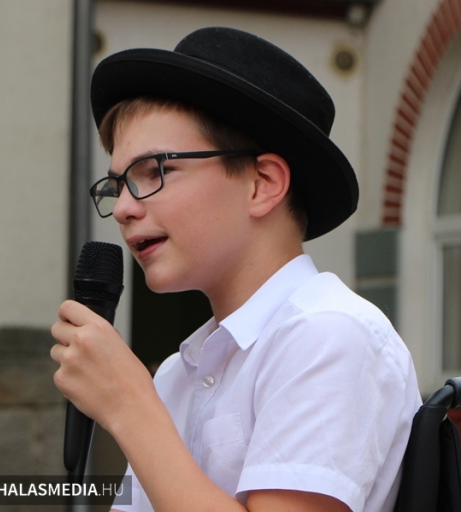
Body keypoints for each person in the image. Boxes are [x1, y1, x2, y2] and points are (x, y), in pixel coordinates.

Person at [50, 27, 421, 512]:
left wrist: (128, 405)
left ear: (262, 184)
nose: (122, 208)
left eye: (155, 171)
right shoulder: (178, 376)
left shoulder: (327, 335)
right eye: (117, 185)